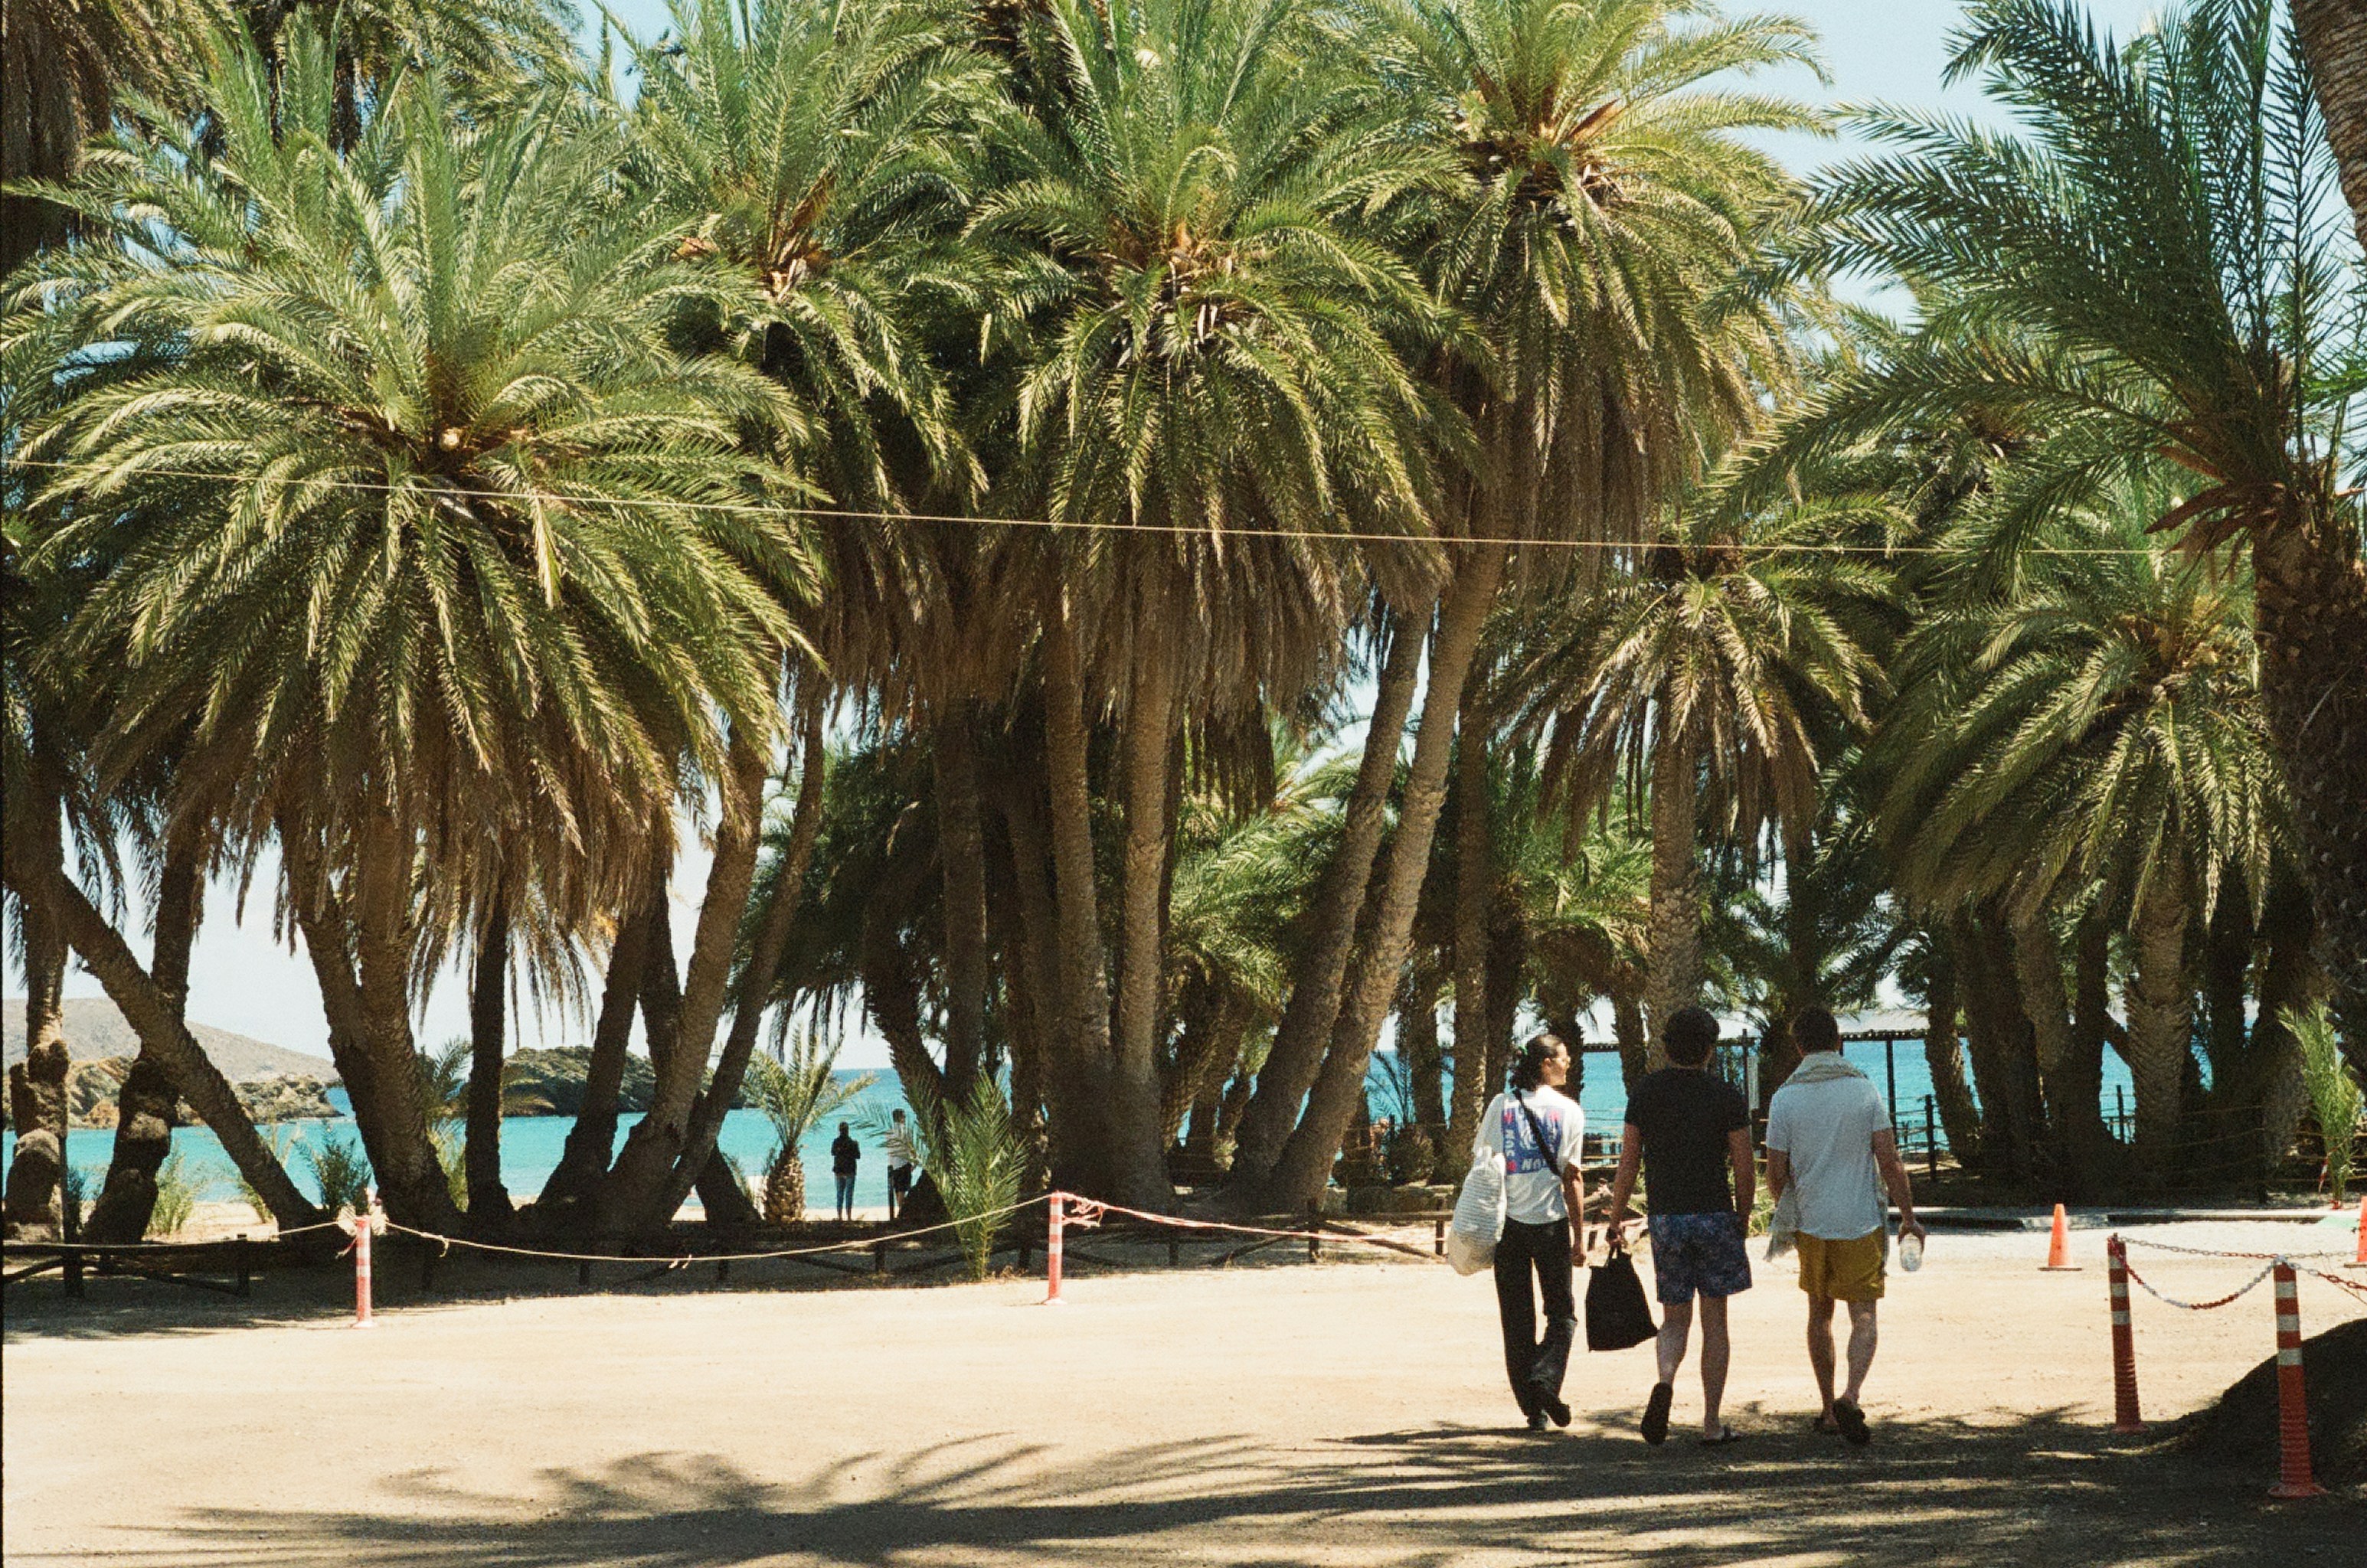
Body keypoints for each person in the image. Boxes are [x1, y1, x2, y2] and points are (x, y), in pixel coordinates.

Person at [1763, 1007, 1927, 1447]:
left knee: (1819, 1315)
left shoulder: (1785, 1098)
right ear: (1838, 1041)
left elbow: (1774, 1171)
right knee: (1864, 1315)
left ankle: (1826, 1410)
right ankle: (1850, 1395)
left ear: (1798, 1046)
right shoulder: (1863, 1091)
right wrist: (1908, 1217)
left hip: (1813, 1224)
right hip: (1860, 1222)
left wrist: (1789, 1210)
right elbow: (1889, 1160)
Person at [1605, 1005, 1754, 1447]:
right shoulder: (1726, 1095)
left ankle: (1666, 1382)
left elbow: (1628, 1162)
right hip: (1713, 1215)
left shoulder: (1645, 1093)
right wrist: (1743, 1215)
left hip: (1666, 1218)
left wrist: (1615, 1218)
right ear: (1709, 1049)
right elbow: (1744, 1166)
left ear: (1667, 1047)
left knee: (1673, 1320)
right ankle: (1711, 1423)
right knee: (1715, 1322)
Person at [1474, 1031, 1586, 1432]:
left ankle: (1534, 1408)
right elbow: (1572, 1177)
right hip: (1551, 1223)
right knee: (1563, 1315)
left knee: (1516, 1319)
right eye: (1563, 1057)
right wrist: (1579, 1236)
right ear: (1545, 1064)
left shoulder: (1501, 1105)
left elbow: (1484, 1162)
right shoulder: (1570, 1111)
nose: (1568, 1063)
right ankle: (1544, 1381)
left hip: (1508, 1227)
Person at [884, 1108, 917, 1220]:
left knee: (898, 1190)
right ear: (900, 1118)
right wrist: (915, 1160)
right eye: (904, 1116)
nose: (905, 1119)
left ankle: (900, 1211)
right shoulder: (906, 1130)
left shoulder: (889, 1132)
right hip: (904, 1163)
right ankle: (902, 1213)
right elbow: (910, 1146)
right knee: (903, 1189)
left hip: (893, 1164)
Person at [830, 1121, 860, 1223]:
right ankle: (848, 1216)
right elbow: (858, 1156)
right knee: (848, 1194)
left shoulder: (836, 1142)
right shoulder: (852, 1143)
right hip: (849, 1171)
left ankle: (840, 1216)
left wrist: (841, 1150)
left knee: (840, 1194)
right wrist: (855, 1146)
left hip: (840, 1171)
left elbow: (833, 1153)